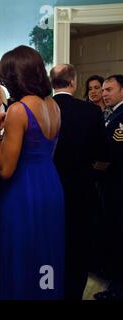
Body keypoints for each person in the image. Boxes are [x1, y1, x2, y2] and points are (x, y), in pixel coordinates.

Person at [0, 45, 64, 299]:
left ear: (14, 77)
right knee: (46, 251)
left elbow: (5, 170)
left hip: (23, 190)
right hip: (50, 183)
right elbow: (46, 153)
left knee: (21, 255)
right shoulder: (54, 106)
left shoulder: (18, 110)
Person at [50, 64, 106, 300]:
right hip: (81, 190)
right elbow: (103, 154)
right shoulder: (91, 112)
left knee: (50, 244)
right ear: (73, 82)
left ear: (53, 83)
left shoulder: (42, 108)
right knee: (78, 249)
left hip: (47, 188)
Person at [94, 74, 123, 300]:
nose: (104, 94)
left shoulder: (121, 118)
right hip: (111, 186)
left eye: (109, 89)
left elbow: (111, 153)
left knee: (118, 235)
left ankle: (118, 289)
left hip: (117, 186)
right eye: (103, 90)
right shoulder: (112, 114)